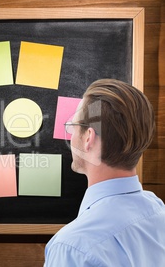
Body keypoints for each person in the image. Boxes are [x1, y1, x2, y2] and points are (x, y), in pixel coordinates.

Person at [44, 79, 165, 266]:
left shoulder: (71, 248)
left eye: (73, 126)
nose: (71, 135)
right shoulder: (157, 210)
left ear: (88, 139)